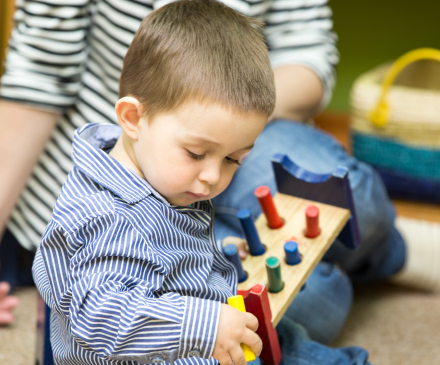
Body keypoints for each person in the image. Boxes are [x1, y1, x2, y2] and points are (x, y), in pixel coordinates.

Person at [32, 1, 372, 364]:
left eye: (233, 160)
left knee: (283, 336)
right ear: (132, 118)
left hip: (204, 324)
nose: (213, 176)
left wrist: (212, 256)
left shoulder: (159, 180)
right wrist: (205, 324)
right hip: (177, 348)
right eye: (196, 153)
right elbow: (101, 319)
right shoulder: (108, 220)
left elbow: (162, 256)